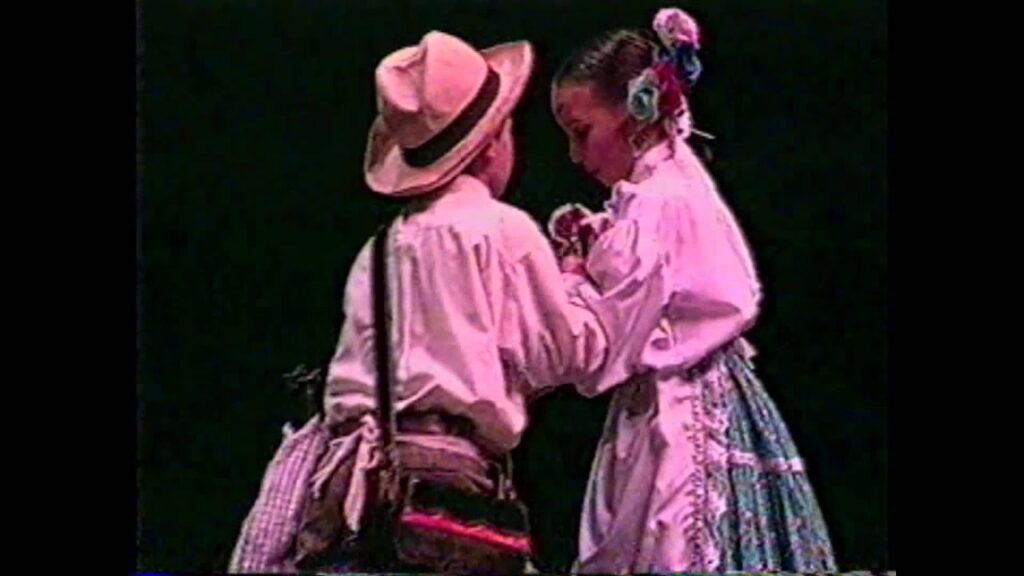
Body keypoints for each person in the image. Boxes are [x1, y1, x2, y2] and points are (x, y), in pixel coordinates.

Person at [229, 30, 607, 573]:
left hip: (352, 486)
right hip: (441, 491)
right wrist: (576, 279)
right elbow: (566, 354)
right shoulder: (502, 231)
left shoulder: (380, 248)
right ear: (492, 143)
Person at [549, 8, 837, 573]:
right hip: (689, 393)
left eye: (583, 133)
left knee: (672, 549)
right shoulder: (664, 186)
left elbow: (604, 350)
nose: (576, 156)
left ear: (635, 112)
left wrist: (573, 278)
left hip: (679, 411)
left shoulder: (659, 202)